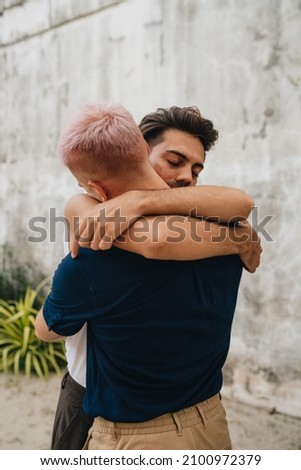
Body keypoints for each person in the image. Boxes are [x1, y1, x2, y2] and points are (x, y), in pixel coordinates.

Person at [35, 103, 261, 450]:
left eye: (197, 169)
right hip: (203, 417)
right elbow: (157, 238)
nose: (187, 176)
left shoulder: (95, 256)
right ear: (141, 149)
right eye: (174, 161)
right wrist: (237, 238)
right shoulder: (226, 232)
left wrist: (137, 201)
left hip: (126, 421)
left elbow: (46, 328)